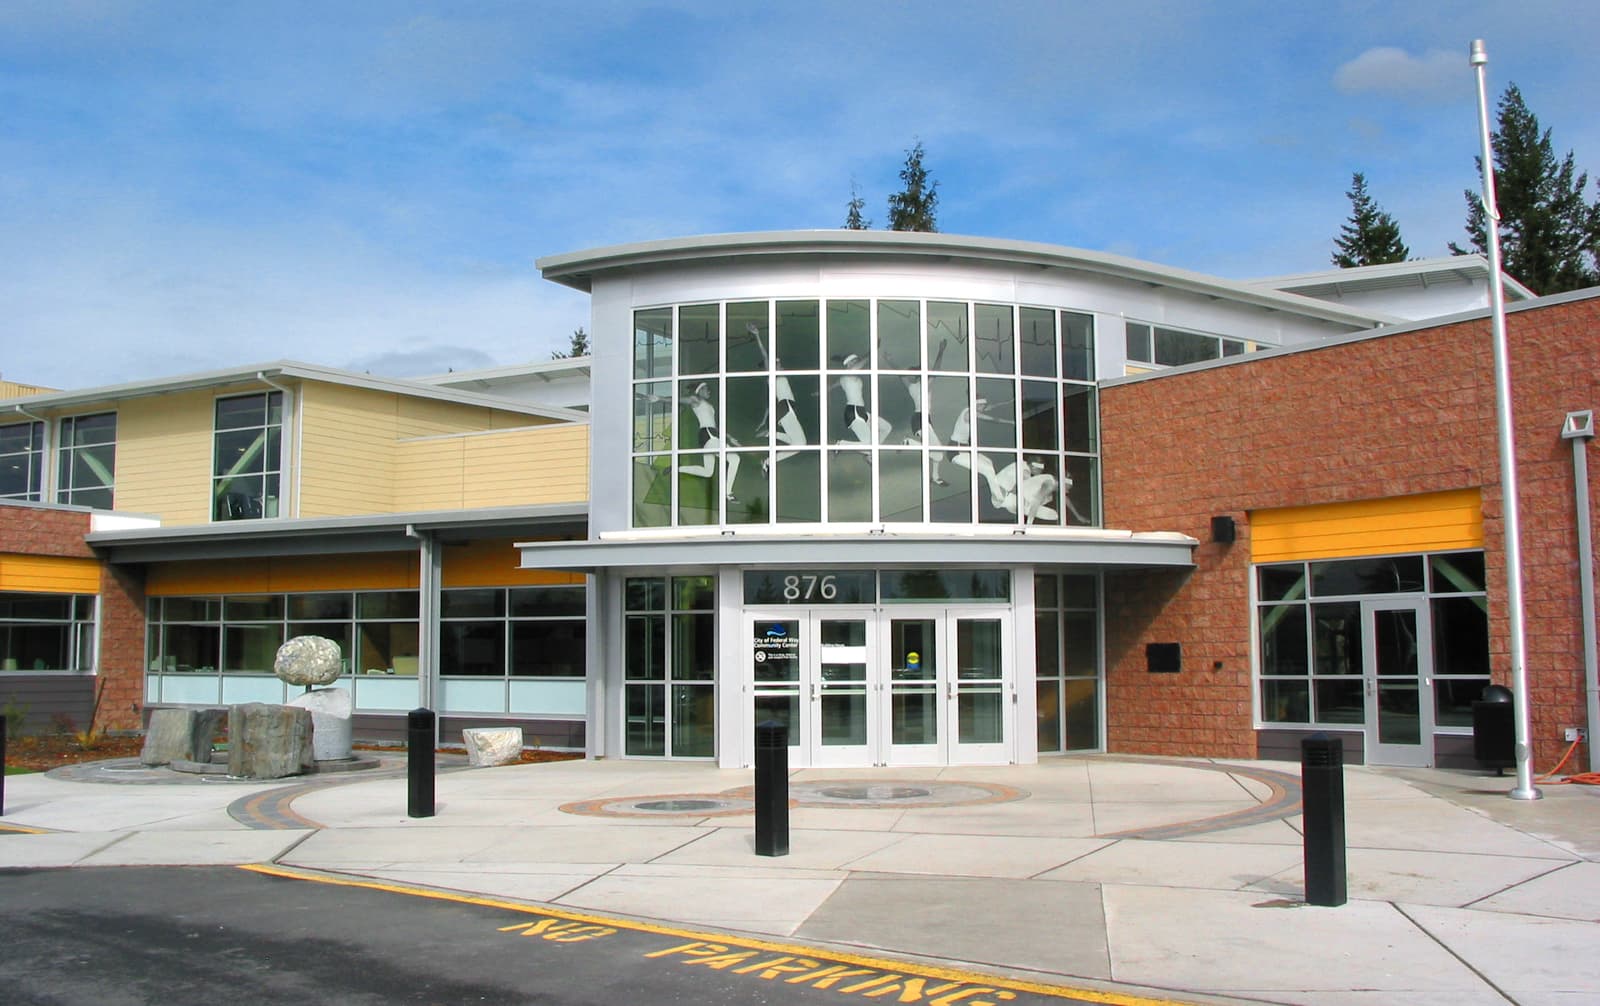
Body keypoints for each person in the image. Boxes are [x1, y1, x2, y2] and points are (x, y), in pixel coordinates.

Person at [750, 323, 808, 474]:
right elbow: (764, 355)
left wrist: (764, 421)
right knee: (800, 444)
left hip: (784, 409)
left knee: (798, 443)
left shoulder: (776, 378)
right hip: (785, 407)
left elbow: (769, 405)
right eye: (777, 363)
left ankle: (770, 435)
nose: (780, 363)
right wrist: (757, 335)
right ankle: (767, 461)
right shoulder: (772, 376)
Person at [673, 382, 741, 501]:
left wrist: (729, 437)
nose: (709, 391)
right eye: (706, 389)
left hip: (709, 436)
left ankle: (677, 468)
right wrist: (659, 398)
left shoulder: (708, 405)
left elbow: (714, 426)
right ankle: (728, 493)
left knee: (708, 472)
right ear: (699, 391)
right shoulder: (696, 400)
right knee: (735, 458)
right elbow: (678, 400)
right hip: (709, 435)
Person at [836, 354, 890, 444]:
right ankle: (841, 444)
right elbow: (861, 364)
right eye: (855, 361)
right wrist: (872, 351)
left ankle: (870, 454)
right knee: (868, 443)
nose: (858, 363)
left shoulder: (849, 377)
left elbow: (833, 385)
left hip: (861, 411)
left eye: (857, 361)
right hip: (853, 411)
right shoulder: (847, 374)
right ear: (848, 364)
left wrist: (819, 391)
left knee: (886, 428)